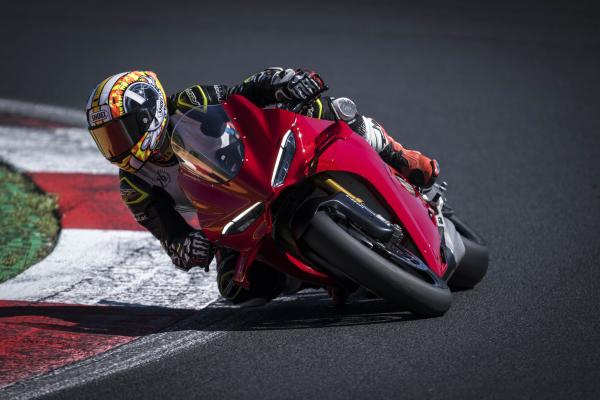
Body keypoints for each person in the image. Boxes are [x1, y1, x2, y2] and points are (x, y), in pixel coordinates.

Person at [85, 68, 439, 302]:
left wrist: (285, 80)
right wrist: (187, 247)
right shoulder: (136, 184)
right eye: (106, 139)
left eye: (119, 133)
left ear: (149, 114)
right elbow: (170, 235)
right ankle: (324, 274)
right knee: (235, 290)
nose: (114, 147)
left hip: (261, 160)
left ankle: (398, 155)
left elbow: (244, 93)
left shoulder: (189, 102)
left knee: (323, 108)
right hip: (231, 214)